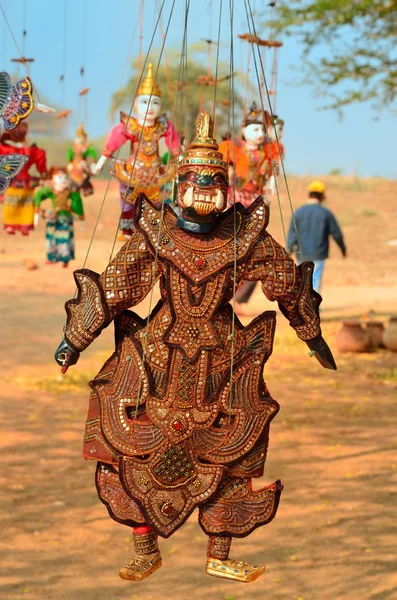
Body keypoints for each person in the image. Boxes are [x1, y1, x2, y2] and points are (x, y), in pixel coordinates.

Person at [55, 112, 336, 584]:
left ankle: (219, 551)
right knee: (125, 439)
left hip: (223, 356)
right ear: (179, 183)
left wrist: (311, 334)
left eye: (215, 181)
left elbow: (286, 281)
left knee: (235, 444)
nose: (205, 187)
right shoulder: (158, 231)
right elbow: (115, 287)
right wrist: (74, 339)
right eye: (196, 180)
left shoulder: (242, 235)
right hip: (158, 351)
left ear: (227, 188)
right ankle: (144, 546)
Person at [92, 62, 179, 240]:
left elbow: (174, 144)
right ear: (137, 105)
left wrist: (185, 160)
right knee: (128, 201)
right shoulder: (130, 125)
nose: (150, 107)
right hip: (134, 170)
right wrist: (100, 163)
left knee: (159, 201)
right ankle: (127, 229)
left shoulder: (164, 125)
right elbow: (114, 142)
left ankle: (158, 230)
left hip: (155, 171)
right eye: (145, 102)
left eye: (155, 102)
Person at [286, 180, 347, 293]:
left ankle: (302, 308)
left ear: (309, 194)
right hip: (319, 254)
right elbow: (336, 234)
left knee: (303, 282)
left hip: (301, 255)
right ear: (322, 196)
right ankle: (312, 309)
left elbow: (292, 234)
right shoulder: (325, 213)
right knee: (315, 281)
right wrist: (343, 249)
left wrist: (288, 250)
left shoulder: (298, 212)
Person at [1, 121, 47, 235]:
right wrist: (43, 174)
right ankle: (24, 227)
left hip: (12, 181)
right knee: (26, 205)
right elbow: (40, 158)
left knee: (11, 204)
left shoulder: (5, 148)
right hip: (25, 181)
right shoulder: (31, 150)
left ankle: (11, 226)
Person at [34, 168, 84, 267]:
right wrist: (36, 212)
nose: (63, 180)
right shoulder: (51, 190)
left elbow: (77, 202)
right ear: (53, 178)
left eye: (65, 177)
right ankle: (52, 257)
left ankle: (65, 259)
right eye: (59, 177)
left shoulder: (70, 191)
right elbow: (39, 194)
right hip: (53, 217)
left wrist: (81, 216)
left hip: (66, 217)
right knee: (51, 237)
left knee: (65, 238)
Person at [67, 123, 97, 196]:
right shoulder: (72, 148)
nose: (79, 139)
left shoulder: (87, 147)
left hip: (83, 164)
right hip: (74, 165)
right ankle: (72, 188)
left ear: (84, 137)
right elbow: (69, 157)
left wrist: (93, 163)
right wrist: (69, 164)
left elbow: (92, 154)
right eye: (78, 137)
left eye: (81, 137)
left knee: (85, 172)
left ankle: (86, 188)